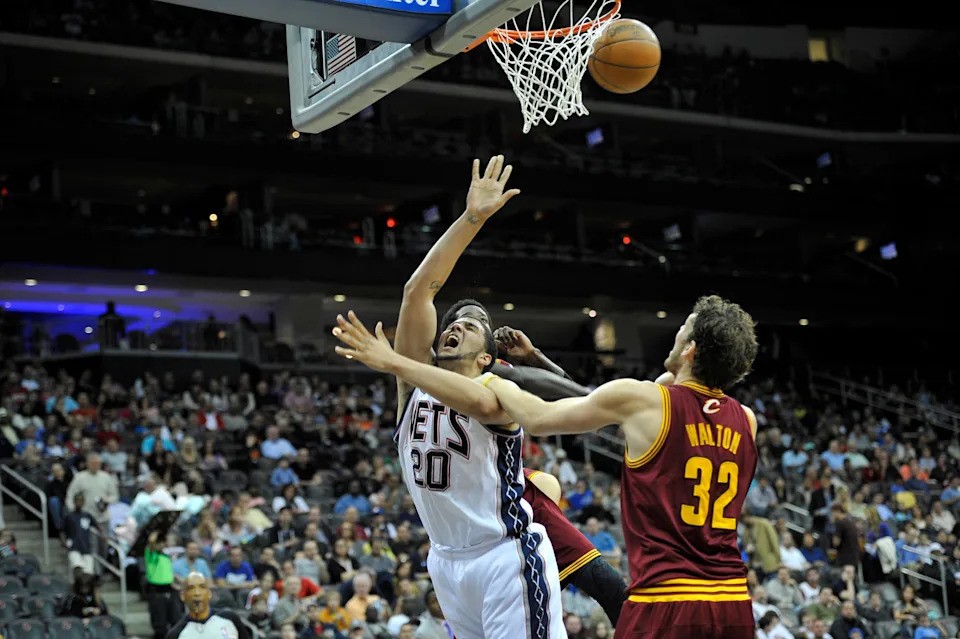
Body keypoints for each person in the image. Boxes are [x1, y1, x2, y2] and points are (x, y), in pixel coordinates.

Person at [336, 294, 759, 639]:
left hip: (667, 598)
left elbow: (543, 417)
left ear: (690, 349)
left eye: (681, 329)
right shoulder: (747, 420)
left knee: (600, 576)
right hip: (733, 599)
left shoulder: (647, 399)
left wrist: (500, 380)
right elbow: (602, 401)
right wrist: (534, 362)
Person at [330, 156, 565, 639]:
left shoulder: (496, 388)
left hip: (504, 552)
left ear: (487, 358)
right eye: (454, 321)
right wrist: (471, 218)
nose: (457, 324)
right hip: (446, 562)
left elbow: (500, 405)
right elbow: (419, 290)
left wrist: (394, 359)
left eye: (474, 325)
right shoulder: (415, 384)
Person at [523, 469, 627, 624]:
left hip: (557, 543)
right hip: (518, 559)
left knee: (620, 597)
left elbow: (545, 482)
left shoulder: (519, 477)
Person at [166, 572, 249, 639]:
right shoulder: (176, 634)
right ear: (183, 596)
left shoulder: (229, 618)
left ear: (209, 593)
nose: (197, 593)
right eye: (191, 588)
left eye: (202, 587)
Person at [147, 530, 183, 639]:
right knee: (160, 626)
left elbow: (166, 573)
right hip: (157, 592)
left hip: (170, 591)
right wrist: (155, 533)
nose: (161, 544)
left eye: (163, 542)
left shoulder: (166, 557)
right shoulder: (151, 555)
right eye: (159, 542)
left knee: (176, 622)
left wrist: (174, 582)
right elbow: (151, 544)